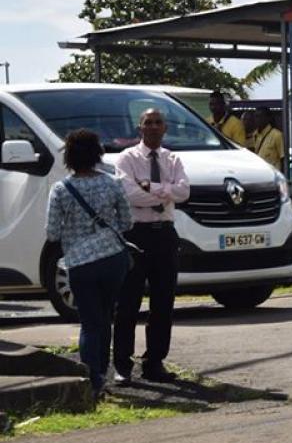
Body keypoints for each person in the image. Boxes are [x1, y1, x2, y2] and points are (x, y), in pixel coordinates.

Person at [44, 129, 132, 400]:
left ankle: (91, 380)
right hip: (113, 260)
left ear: (69, 156)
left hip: (80, 264)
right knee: (106, 318)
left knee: (89, 323)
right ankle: (103, 375)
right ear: (97, 154)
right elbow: (127, 222)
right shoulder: (112, 183)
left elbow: (52, 234)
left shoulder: (61, 189)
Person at [112, 108, 190, 383]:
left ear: (165, 128)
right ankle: (122, 364)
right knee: (128, 302)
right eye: (148, 123)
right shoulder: (127, 158)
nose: (154, 127)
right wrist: (163, 193)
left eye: (158, 123)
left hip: (165, 235)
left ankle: (154, 361)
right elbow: (128, 194)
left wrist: (151, 188)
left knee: (163, 302)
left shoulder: (173, 158)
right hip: (136, 234)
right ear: (140, 128)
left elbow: (184, 191)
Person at [250, 107, 284, 172]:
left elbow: (283, 158)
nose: (257, 119)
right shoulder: (254, 135)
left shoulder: (277, 135)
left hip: (273, 175)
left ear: (267, 118)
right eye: (256, 116)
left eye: (260, 116)